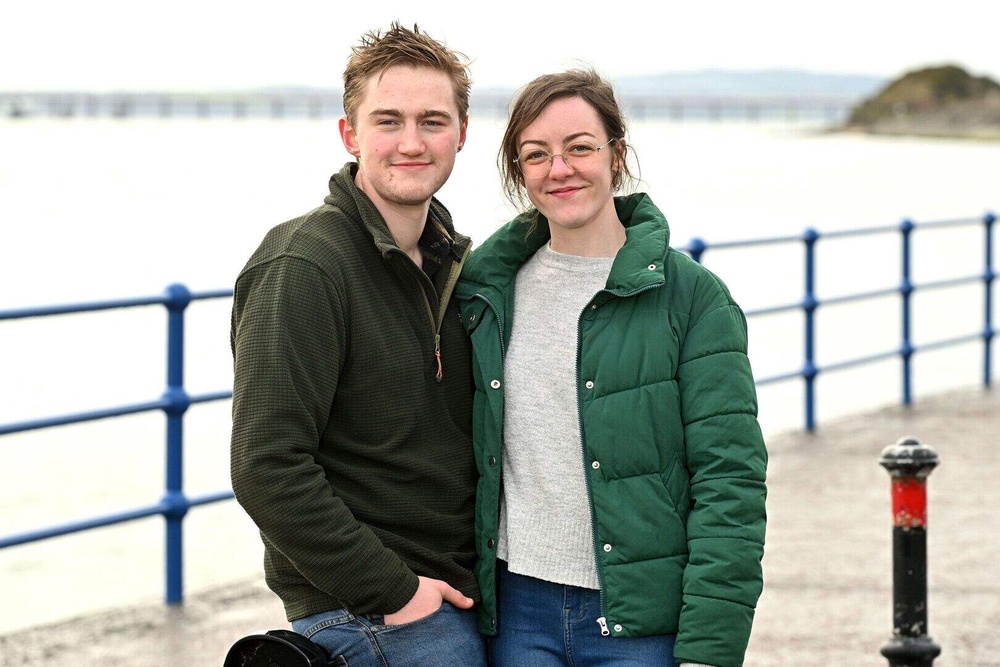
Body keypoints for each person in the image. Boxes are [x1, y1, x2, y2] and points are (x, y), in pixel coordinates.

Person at [455, 69, 767, 667]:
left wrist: (710, 645)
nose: (560, 168)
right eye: (536, 154)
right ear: (519, 171)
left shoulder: (692, 298)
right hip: (516, 613)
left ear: (615, 155)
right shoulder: (485, 292)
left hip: (643, 623)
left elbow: (730, 480)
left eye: (580, 148)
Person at [229, 22, 486, 666]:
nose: (411, 142)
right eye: (388, 121)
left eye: (432, 121)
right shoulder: (303, 265)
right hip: (372, 615)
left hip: (458, 593)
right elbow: (266, 466)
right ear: (350, 134)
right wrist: (392, 592)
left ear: (461, 132)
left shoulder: (453, 264)